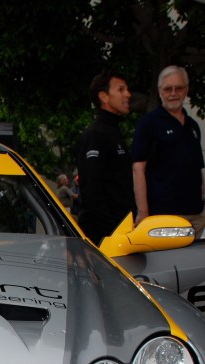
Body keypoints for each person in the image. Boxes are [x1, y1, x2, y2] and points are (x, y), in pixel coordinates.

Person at [131, 65, 205, 235]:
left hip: (196, 215)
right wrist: (143, 213)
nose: (173, 93)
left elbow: (197, 167)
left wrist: (203, 205)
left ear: (186, 90)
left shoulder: (192, 126)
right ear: (160, 91)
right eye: (168, 89)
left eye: (178, 88)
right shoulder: (148, 124)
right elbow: (138, 169)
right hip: (165, 216)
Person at [75, 70, 134, 245]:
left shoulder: (114, 132)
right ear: (104, 97)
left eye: (127, 89)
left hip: (120, 232)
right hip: (103, 239)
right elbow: (92, 191)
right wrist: (111, 234)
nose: (127, 94)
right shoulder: (95, 135)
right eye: (121, 89)